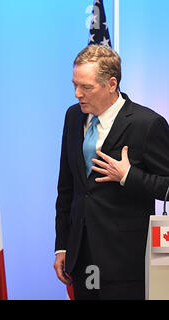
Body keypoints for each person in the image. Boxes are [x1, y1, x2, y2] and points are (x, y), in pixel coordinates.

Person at [54, 45, 169, 300]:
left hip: (126, 264)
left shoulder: (147, 124)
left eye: (86, 87)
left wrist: (129, 175)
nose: (77, 94)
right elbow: (67, 187)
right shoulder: (73, 117)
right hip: (80, 257)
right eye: (75, 85)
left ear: (111, 84)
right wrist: (61, 246)